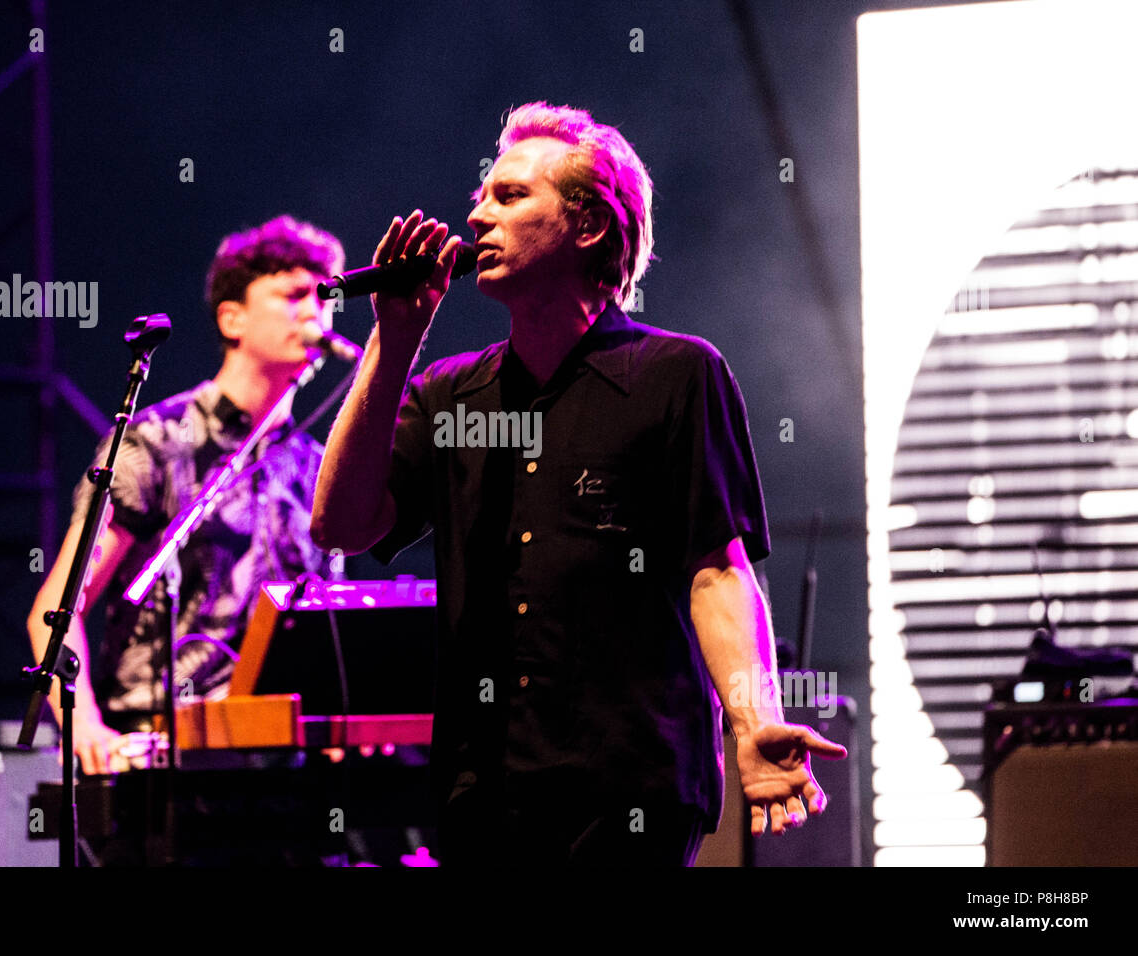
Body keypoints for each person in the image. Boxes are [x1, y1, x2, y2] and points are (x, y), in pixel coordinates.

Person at [311, 102, 846, 866]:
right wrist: (394, 340)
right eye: (481, 197)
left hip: (627, 788)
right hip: (481, 792)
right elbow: (341, 525)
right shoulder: (449, 395)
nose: (477, 216)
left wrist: (753, 721)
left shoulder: (675, 376)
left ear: (588, 225)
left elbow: (716, 570)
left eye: (510, 196)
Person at [28, 214, 342, 775]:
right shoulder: (156, 442)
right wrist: (87, 730)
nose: (315, 310)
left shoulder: (322, 467)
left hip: (289, 770)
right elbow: (55, 611)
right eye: (294, 294)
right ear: (232, 318)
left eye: (324, 296)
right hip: (165, 758)